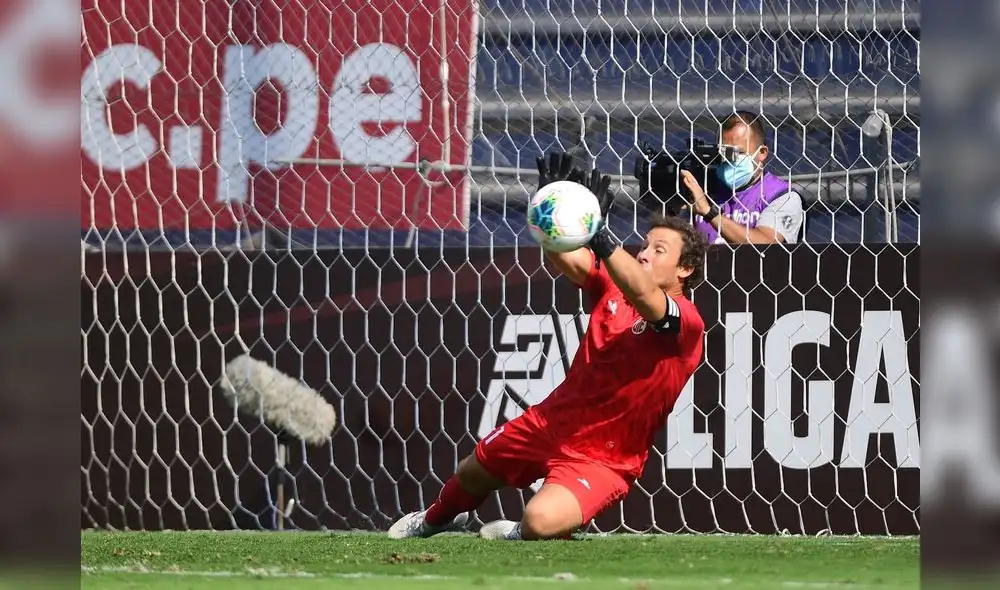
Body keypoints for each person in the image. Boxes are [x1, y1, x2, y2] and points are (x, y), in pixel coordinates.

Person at [388, 152, 708, 541]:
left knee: (539, 522)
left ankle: (524, 530)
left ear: (684, 269)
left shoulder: (686, 324)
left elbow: (643, 293)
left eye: (658, 250)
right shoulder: (614, 287)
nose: (643, 253)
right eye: (644, 245)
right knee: (473, 470)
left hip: (605, 457)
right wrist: (551, 210)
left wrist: (601, 234)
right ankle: (436, 519)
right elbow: (567, 257)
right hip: (552, 422)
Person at [681, 111, 805, 245]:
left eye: (737, 153)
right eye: (724, 153)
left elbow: (766, 244)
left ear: (762, 153)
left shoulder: (782, 196)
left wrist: (709, 212)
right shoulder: (706, 188)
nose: (729, 160)